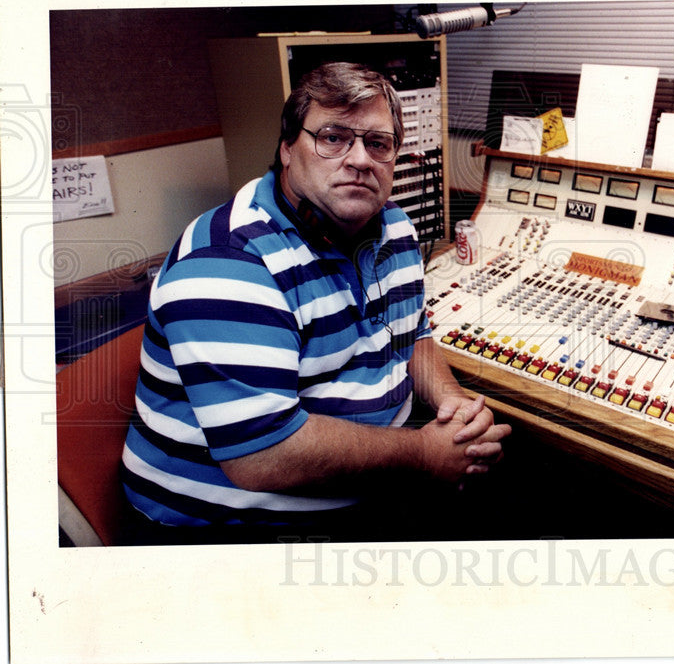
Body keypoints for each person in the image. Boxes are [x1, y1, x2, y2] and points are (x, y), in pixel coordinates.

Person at [120, 62, 511, 544]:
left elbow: (413, 336)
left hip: (374, 488)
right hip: (231, 527)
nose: (360, 160)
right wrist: (425, 453)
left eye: (378, 143)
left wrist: (454, 408)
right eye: (333, 137)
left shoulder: (395, 228)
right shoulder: (228, 260)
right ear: (287, 148)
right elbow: (263, 456)